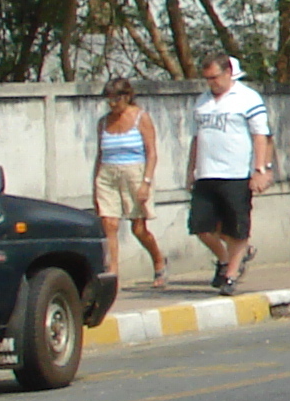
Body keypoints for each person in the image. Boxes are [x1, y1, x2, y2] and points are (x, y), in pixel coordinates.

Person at [187, 53, 275, 294]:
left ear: (228, 73)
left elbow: (262, 136)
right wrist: (190, 170)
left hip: (236, 174)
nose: (211, 83)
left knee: (237, 227)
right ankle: (226, 259)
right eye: (207, 79)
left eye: (215, 77)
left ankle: (230, 275)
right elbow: (196, 138)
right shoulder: (202, 101)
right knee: (201, 226)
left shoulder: (247, 98)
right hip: (206, 173)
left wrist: (260, 169)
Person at [91, 77, 170, 290]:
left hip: (135, 173)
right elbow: (100, 154)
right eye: (109, 100)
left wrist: (146, 182)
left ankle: (159, 261)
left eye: (116, 99)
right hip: (108, 173)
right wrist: (95, 183)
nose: (112, 104)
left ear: (126, 97)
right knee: (109, 224)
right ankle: (113, 273)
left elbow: (152, 153)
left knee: (138, 228)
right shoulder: (104, 122)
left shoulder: (141, 118)